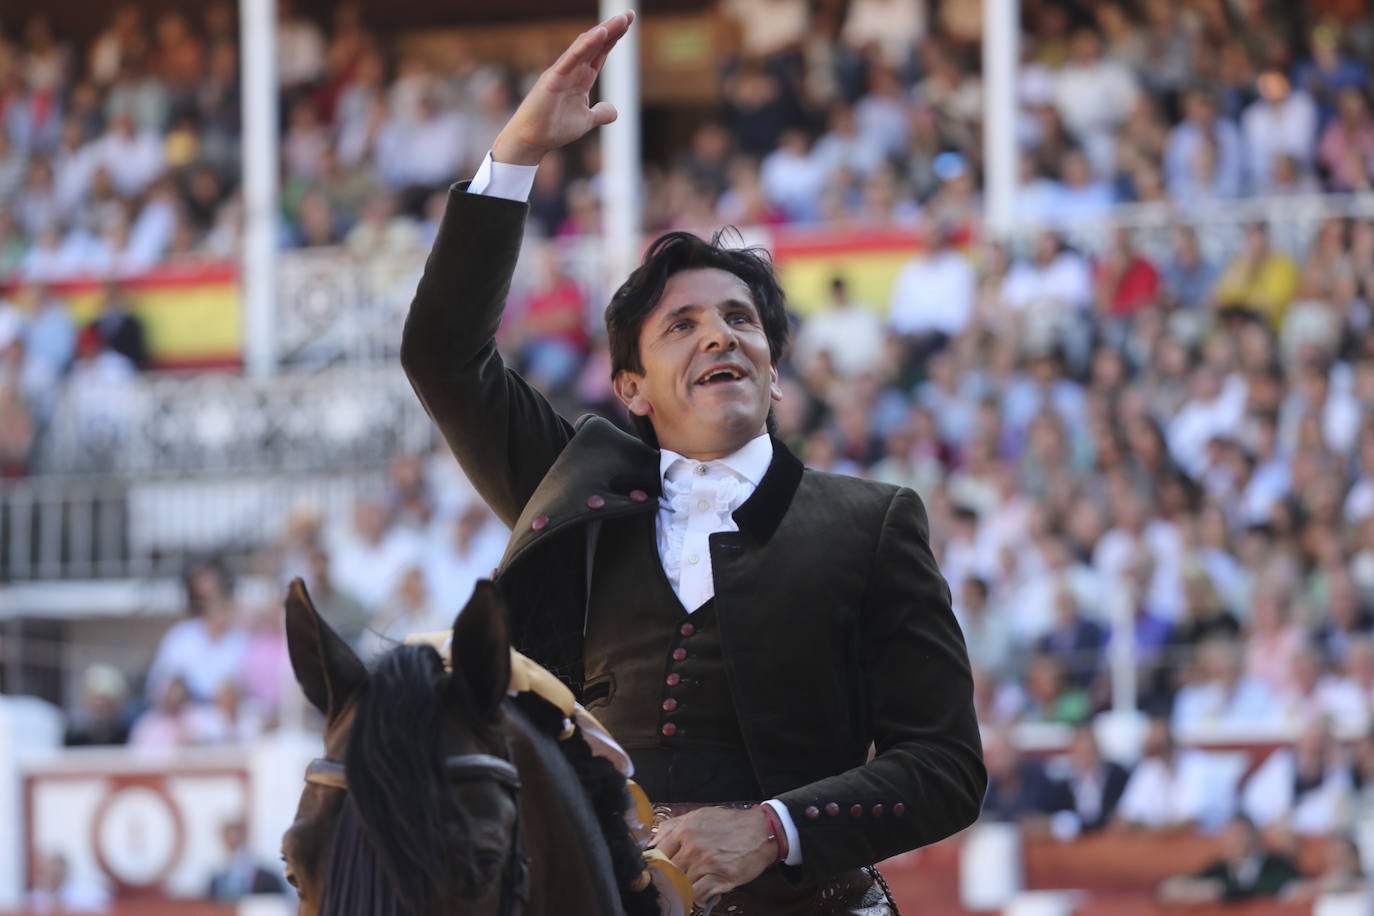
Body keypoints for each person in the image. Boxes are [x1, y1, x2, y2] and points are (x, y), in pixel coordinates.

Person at [399, 13, 984, 913]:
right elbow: (441, 355)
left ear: (775, 370)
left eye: (741, 320)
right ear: (630, 389)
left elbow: (946, 765)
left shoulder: (871, 521)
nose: (720, 334)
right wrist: (516, 153)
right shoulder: (575, 486)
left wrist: (772, 829)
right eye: (683, 325)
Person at [1156, 814, 1300, 904]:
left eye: (1239, 835)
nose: (1234, 842)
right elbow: (1169, 889)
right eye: (1229, 836)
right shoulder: (1219, 869)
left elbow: (1297, 889)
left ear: (1255, 838)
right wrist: (1208, 891)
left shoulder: (1277, 866)